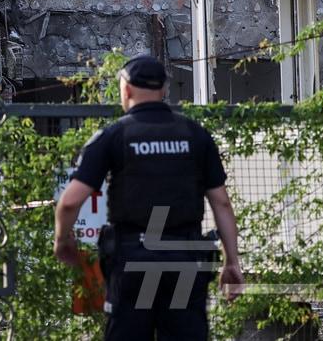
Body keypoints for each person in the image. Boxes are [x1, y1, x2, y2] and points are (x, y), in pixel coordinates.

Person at [54, 55, 243, 341]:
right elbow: (222, 203)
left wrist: (63, 240)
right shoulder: (195, 135)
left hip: (134, 260)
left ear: (126, 90)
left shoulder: (113, 136)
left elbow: (70, 202)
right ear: (164, 90)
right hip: (183, 258)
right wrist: (232, 261)